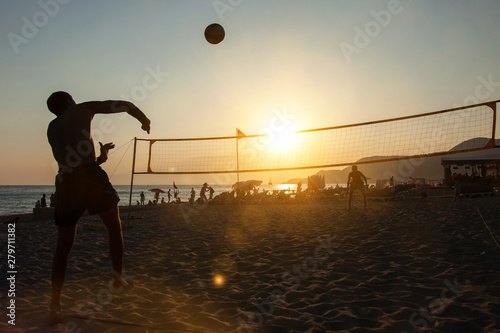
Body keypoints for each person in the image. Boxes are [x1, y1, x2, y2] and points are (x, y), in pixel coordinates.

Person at [46, 91, 150, 325]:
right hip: (88, 177)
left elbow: (76, 162)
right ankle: (117, 278)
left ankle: (55, 304)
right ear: (69, 101)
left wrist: (102, 155)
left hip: (65, 182)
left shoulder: (51, 127)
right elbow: (124, 104)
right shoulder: (81, 108)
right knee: (114, 228)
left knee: (63, 247)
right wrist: (144, 119)